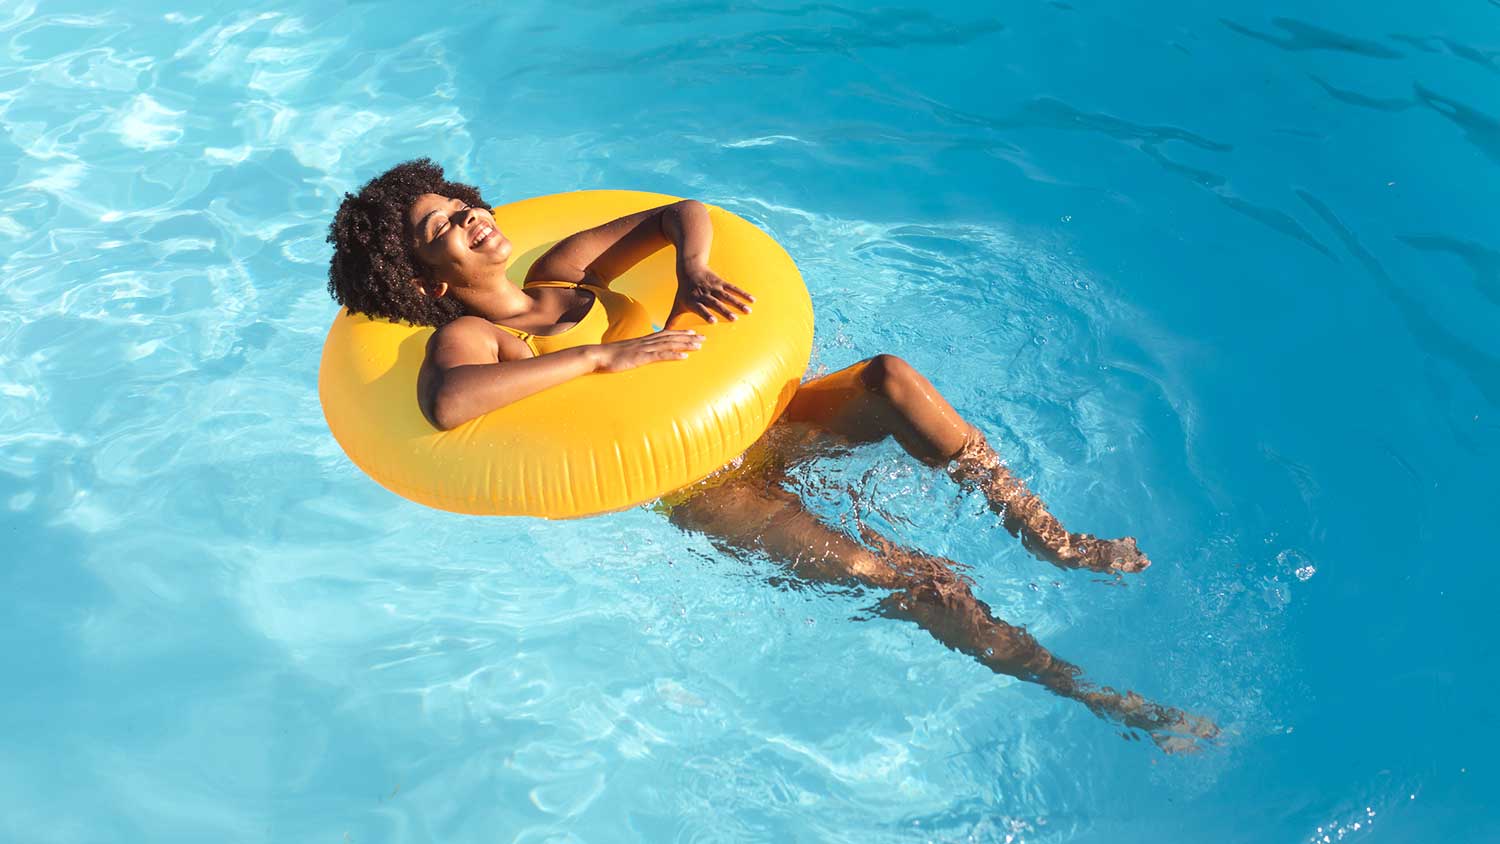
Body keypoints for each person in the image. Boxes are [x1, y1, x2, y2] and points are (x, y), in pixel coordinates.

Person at [326, 159, 1218, 751]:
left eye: (462, 203)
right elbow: (448, 407)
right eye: (444, 227)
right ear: (427, 280)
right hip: (707, 488)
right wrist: (601, 355)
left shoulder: (565, 271)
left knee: (889, 379)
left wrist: (689, 273)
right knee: (918, 584)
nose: (474, 220)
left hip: (755, 422)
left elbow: (682, 211)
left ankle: (1049, 538)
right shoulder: (476, 335)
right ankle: (1106, 702)